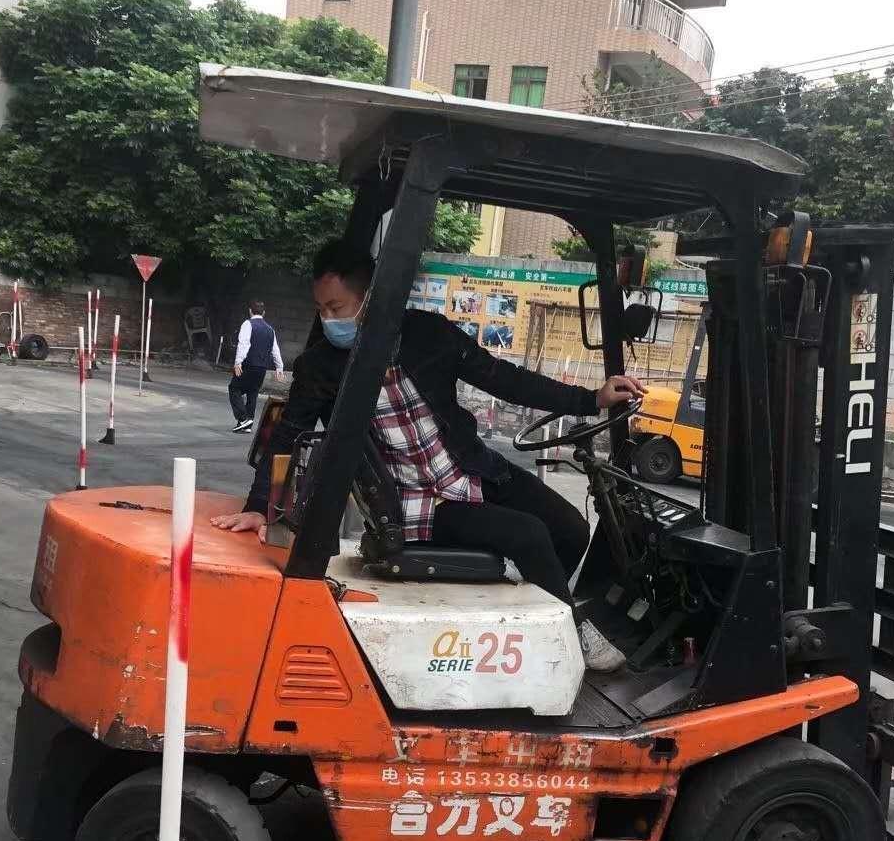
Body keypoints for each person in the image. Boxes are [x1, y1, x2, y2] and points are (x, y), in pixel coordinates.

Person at [212, 239, 645, 672]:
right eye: (321, 310)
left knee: (571, 529)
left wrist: (591, 399)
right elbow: (288, 435)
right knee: (528, 535)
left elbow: (503, 378)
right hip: (413, 503)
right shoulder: (321, 367)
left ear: (371, 298)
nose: (328, 320)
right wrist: (258, 506)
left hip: (469, 470)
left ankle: (534, 617)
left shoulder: (428, 335)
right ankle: (568, 634)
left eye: (336, 307)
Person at [229, 301, 283, 434]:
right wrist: (279, 367)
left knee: (234, 388)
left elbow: (244, 344)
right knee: (252, 393)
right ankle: (248, 424)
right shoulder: (270, 329)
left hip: (248, 364)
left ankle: (243, 419)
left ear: (250, 311)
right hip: (262, 368)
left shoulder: (248, 324)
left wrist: (238, 362)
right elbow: (275, 350)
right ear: (263, 313)